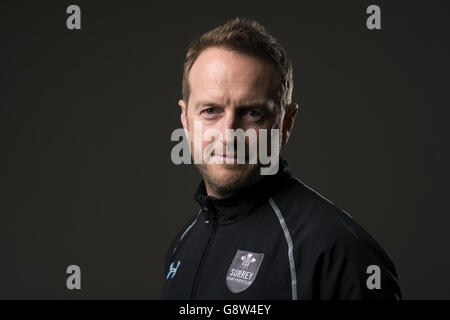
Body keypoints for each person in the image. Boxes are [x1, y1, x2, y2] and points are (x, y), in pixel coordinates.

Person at [161, 17, 401, 300]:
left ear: (285, 124)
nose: (228, 135)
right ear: (185, 120)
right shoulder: (184, 243)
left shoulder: (337, 250)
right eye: (210, 111)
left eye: (252, 113)